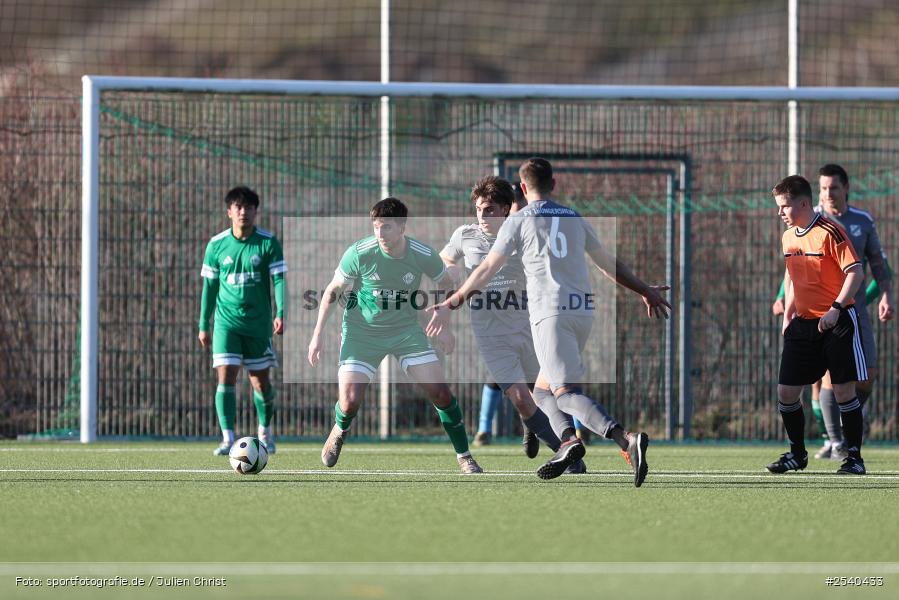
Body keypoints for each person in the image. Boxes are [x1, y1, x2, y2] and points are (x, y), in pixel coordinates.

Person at [431, 158, 670, 486]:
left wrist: (452, 301)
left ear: (522, 189)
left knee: (564, 394)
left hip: (548, 314)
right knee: (542, 392)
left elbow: (485, 270)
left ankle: (625, 439)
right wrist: (644, 289)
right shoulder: (574, 217)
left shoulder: (518, 222)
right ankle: (568, 443)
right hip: (582, 312)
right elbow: (607, 264)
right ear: (554, 185)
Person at [307, 197, 483, 474]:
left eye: (386, 227)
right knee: (350, 402)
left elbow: (447, 284)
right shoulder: (360, 252)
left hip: (405, 331)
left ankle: (465, 456)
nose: (380, 233)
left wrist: (444, 324)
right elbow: (333, 290)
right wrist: (316, 334)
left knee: (441, 392)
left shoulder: (422, 254)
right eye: (376, 226)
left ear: (402, 228)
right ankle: (340, 429)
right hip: (361, 332)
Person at [440, 175, 585, 471]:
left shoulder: (523, 232)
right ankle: (566, 454)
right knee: (520, 397)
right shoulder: (464, 235)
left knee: (548, 394)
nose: (483, 215)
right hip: (491, 334)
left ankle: (538, 427)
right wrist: (451, 270)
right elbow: (445, 258)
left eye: (490, 209)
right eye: (480, 208)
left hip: (530, 325)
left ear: (507, 209)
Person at [771, 164, 892, 460]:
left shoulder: (836, 230)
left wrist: (839, 307)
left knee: (847, 387)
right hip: (805, 320)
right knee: (788, 391)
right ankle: (806, 450)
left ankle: (851, 454)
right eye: (823, 188)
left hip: (841, 316)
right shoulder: (789, 236)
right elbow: (793, 275)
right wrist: (787, 309)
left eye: (784, 206)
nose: (780, 213)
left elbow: (861, 270)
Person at [199, 186, 286, 456]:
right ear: (229, 211)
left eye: (248, 207)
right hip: (226, 323)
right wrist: (203, 323)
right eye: (238, 207)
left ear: (255, 211)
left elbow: (279, 279)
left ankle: (264, 432)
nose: (243, 212)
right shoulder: (216, 245)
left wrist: (280, 311)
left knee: (260, 382)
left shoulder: (267, 243)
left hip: (258, 323)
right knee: (225, 376)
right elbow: (209, 287)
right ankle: (227, 438)